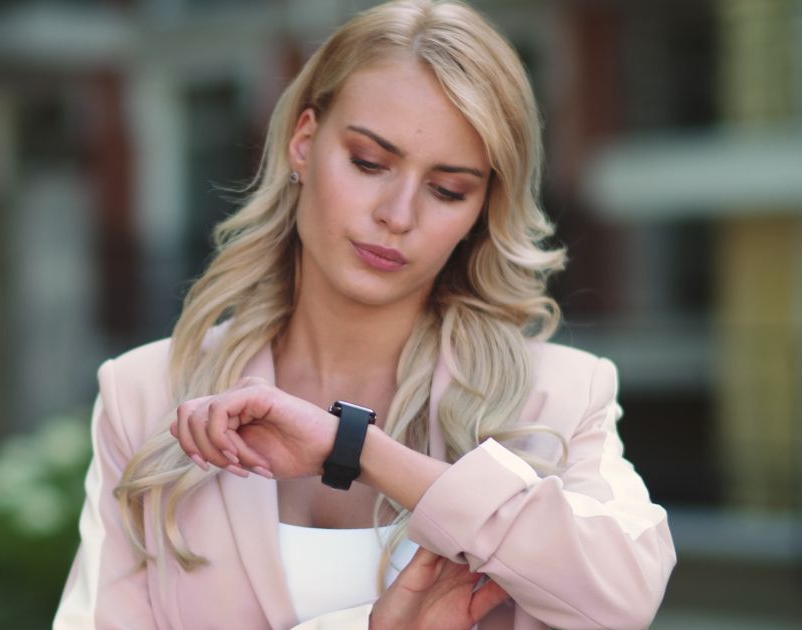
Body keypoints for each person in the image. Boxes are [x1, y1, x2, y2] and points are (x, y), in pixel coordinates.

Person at [53, 1, 676, 628]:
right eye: (369, 163)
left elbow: (624, 599)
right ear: (303, 143)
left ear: (481, 210)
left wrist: (356, 450)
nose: (398, 215)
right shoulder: (145, 392)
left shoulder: (556, 397)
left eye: (447, 190)